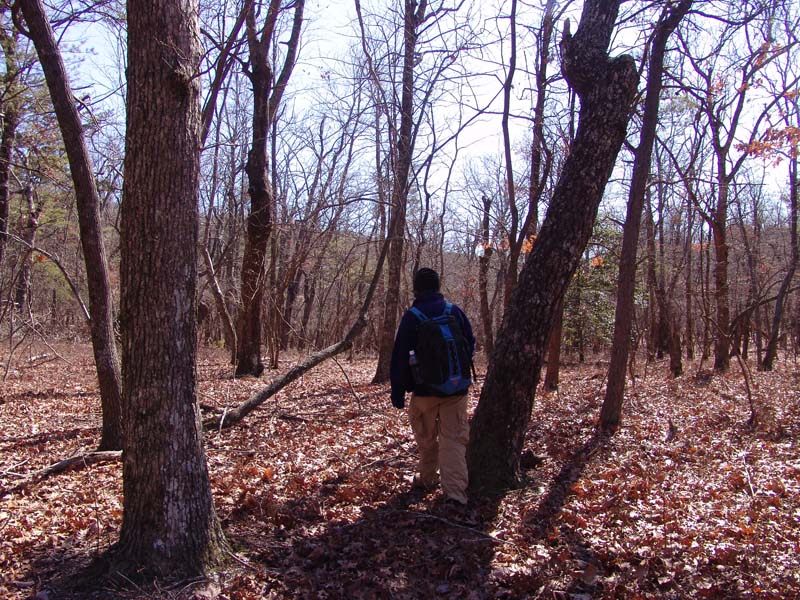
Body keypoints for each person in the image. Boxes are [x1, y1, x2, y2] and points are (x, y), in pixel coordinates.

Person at [390, 267, 475, 505]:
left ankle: (427, 479)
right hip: (457, 391)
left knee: (427, 439)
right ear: (438, 287)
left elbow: (399, 357)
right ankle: (456, 495)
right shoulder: (454, 312)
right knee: (454, 440)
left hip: (424, 391)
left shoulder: (412, 316)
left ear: (416, 288)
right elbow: (470, 343)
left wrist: (398, 390)